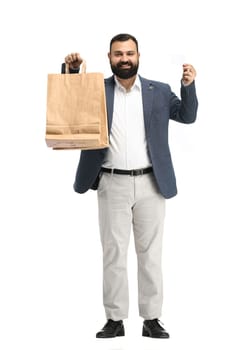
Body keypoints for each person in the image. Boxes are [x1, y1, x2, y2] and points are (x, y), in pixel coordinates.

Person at [62, 33, 198, 339]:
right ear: (109, 57)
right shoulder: (97, 90)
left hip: (152, 182)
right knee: (113, 253)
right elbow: (70, 110)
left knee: (150, 254)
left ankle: (151, 319)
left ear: (138, 56)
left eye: (130, 53)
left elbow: (188, 116)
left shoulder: (159, 92)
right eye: (118, 54)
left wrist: (188, 87)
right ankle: (115, 319)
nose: (125, 58)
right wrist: (72, 73)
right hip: (112, 182)